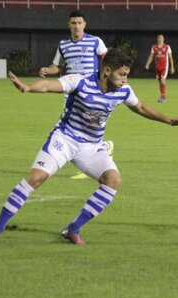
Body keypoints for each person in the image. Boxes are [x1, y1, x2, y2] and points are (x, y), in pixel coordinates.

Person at [0, 49, 178, 245]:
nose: (125, 79)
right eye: (122, 74)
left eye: (126, 74)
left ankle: (73, 229)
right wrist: (28, 87)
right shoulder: (80, 81)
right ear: (107, 71)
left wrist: (170, 121)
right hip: (64, 139)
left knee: (113, 181)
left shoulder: (123, 90)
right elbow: (49, 85)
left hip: (91, 147)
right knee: (36, 177)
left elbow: (140, 107)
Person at [38, 10, 113, 180]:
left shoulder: (95, 41)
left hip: (91, 93)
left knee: (74, 129)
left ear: (85, 25)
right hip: (71, 93)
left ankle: (89, 159)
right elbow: (56, 67)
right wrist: (47, 70)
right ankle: (104, 149)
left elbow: (109, 60)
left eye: (80, 23)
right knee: (74, 129)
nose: (77, 26)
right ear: (69, 25)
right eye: (73, 23)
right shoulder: (63, 45)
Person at [145, 34, 175, 103]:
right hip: (157, 67)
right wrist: (147, 64)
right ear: (157, 39)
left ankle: (163, 97)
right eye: (159, 38)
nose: (160, 39)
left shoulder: (167, 47)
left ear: (163, 39)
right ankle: (162, 96)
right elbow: (151, 56)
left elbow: (170, 58)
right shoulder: (154, 47)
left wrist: (172, 67)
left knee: (162, 80)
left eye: (161, 38)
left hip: (164, 67)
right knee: (160, 82)